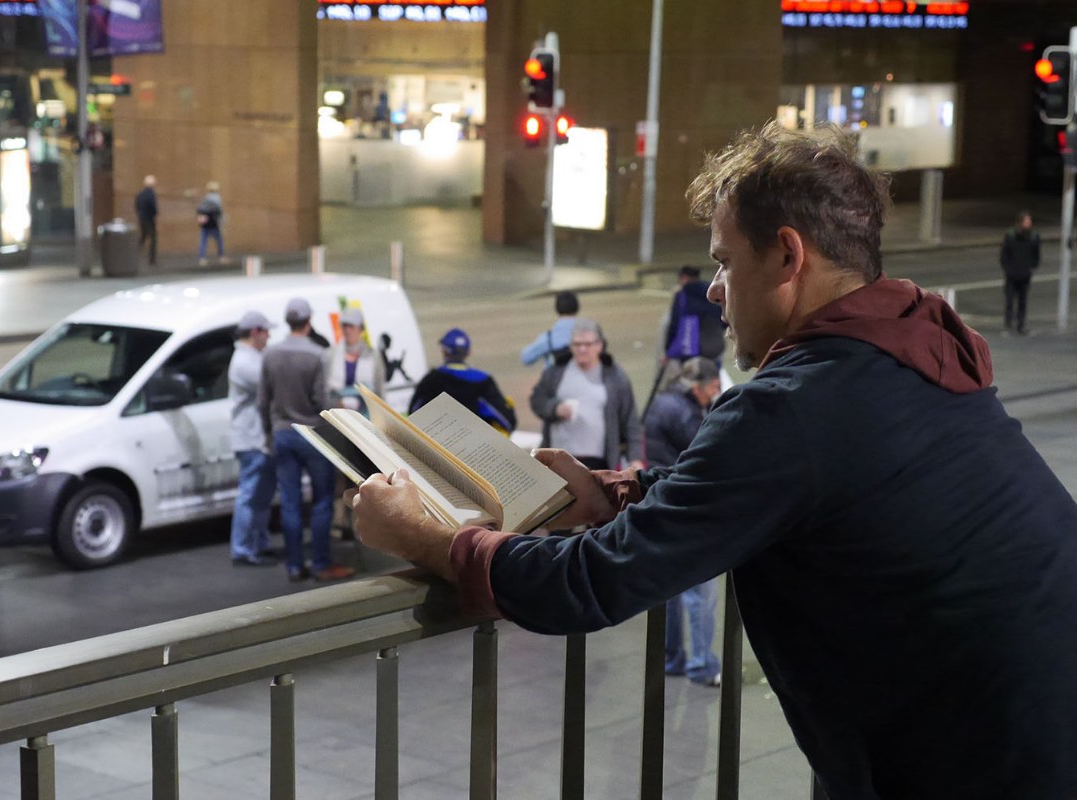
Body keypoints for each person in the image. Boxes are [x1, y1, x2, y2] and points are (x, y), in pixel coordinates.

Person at [349, 122, 1077, 800]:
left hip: (975, 764)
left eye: (726, 260)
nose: (714, 289)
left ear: (788, 255)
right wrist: (618, 495)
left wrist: (426, 537)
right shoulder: (911, 350)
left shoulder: (794, 405)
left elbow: (590, 583)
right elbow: (804, 486)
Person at [258, 297, 355, 583]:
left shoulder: (270, 354)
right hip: (313, 435)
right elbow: (320, 401)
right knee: (322, 501)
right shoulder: (316, 355)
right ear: (308, 322)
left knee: (290, 502)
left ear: (288, 321)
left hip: (283, 435)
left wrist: (269, 433)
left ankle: (294, 565)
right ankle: (322, 563)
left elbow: (262, 401)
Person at [643, 357, 721, 686]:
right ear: (698, 387)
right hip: (690, 509)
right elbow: (709, 453)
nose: (716, 393)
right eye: (714, 388)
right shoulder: (686, 414)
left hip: (662, 504)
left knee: (669, 591)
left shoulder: (664, 400)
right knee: (700, 593)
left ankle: (671, 658)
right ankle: (702, 665)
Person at [529, 318, 644, 472]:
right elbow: (537, 400)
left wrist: (635, 458)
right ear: (570, 346)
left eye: (588, 344)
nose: (582, 349)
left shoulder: (615, 376)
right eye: (577, 344)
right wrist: (554, 408)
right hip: (558, 461)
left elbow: (630, 420)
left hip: (599, 463)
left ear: (599, 345)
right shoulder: (555, 372)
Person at [227, 310, 277, 567]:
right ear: (255, 332)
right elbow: (272, 384)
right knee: (251, 495)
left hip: (257, 439)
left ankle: (258, 544)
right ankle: (244, 548)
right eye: (266, 331)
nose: (269, 337)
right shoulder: (245, 363)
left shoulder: (252, 358)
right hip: (251, 440)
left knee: (261, 497)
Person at [409, 328, 517, 435]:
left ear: (443, 351)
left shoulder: (431, 380)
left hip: (438, 442)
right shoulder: (483, 381)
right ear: (469, 352)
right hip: (475, 442)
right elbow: (507, 421)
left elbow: (413, 415)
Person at [662, 265, 725, 367]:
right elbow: (724, 317)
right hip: (713, 347)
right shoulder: (711, 293)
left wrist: (668, 350)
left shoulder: (682, 296)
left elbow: (675, 324)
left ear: (684, 277)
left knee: (690, 375)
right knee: (712, 374)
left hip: (689, 348)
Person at [326, 306, 385, 412]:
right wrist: (338, 403)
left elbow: (379, 391)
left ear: (360, 328)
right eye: (345, 326)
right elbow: (324, 392)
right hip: (338, 413)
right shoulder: (331, 354)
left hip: (366, 414)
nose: (347, 330)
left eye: (351, 326)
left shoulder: (373, 356)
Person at [999, 210, 1040, 335]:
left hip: (1025, 274)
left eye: (1029, 221)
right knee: (1010, 301)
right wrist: (1007, 268)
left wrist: (1033, 267)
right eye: (1027, 221)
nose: (1029, 223)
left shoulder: (1033, 236)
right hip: (1012, 274)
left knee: (1023, 301)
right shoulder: (1011, 235)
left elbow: (1036, 253)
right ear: (1020, 222)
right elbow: (1004, 253)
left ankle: (1021, 325)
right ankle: (1008, 325)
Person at [521, 290, 580, 367]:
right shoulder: (591, 333)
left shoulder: (548, 338)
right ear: (577, 307)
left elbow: (526, 358)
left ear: (557, 309)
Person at [196, 181, 228, 267]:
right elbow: (219, 211)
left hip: (205, 224)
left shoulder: (205, 198)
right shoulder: (217, 198)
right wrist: (223, 221)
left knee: (203, 241)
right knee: (219, 241)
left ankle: (202, 258)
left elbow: (201, 210)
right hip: (214, 223)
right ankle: (221, 257)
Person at [135, 175, 158, 267]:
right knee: (153, 239)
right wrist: (155, 214)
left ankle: (134, 254)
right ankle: (152, 260)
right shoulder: (151, 194)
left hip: (142, 218)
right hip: (149, 219)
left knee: (143, 238)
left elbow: (137, 205)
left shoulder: (140, 194)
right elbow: (153, 206)